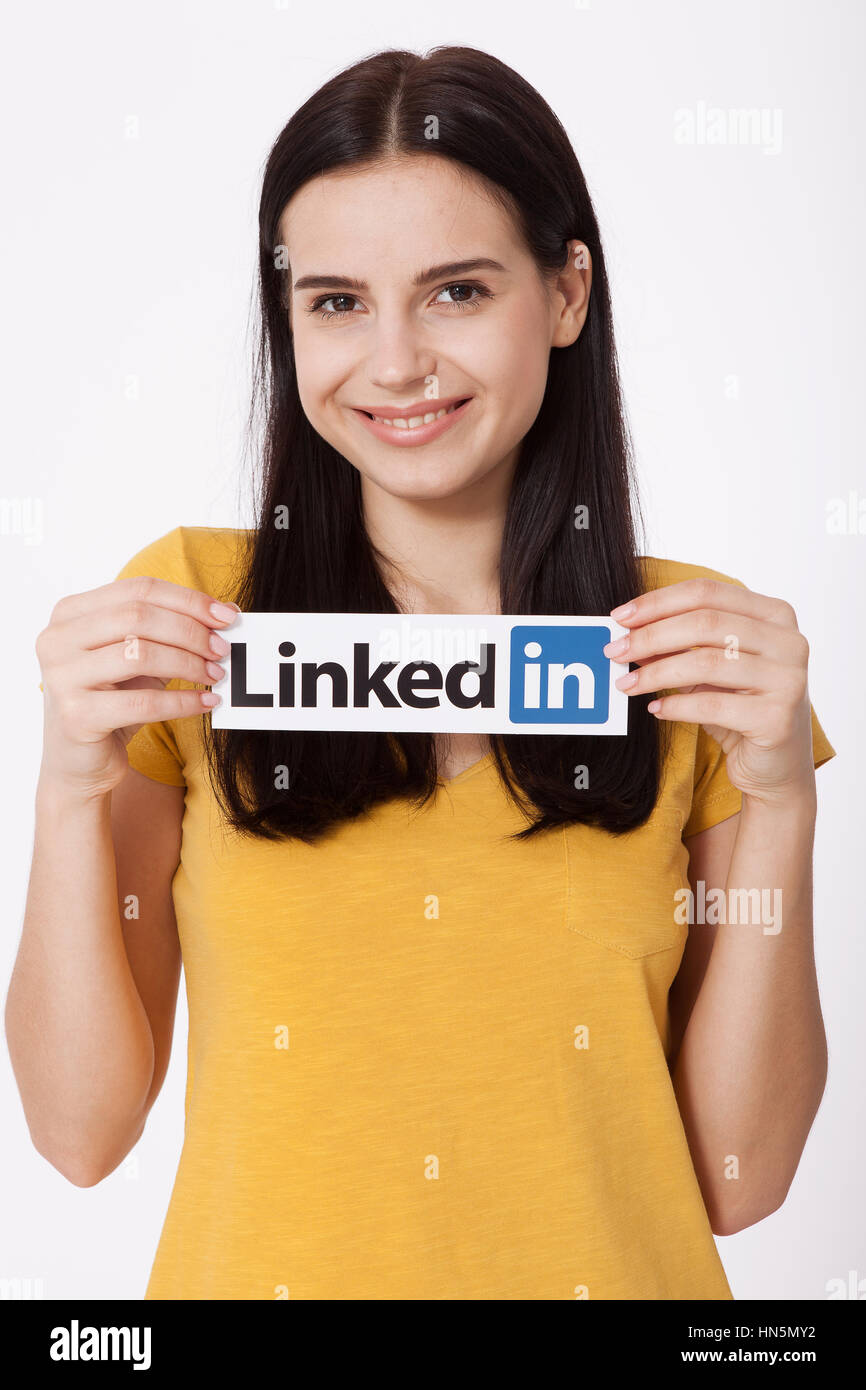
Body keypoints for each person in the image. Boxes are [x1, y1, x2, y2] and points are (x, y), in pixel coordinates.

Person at [8, 45, 835, 1300]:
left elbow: (741, 1177)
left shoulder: (696, 654)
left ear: (564, 296)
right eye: (335, 301)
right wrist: (69, 784)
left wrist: (779, 800)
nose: (393, 363)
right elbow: (79, 1135)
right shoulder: (195, 616)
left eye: (455, 292)